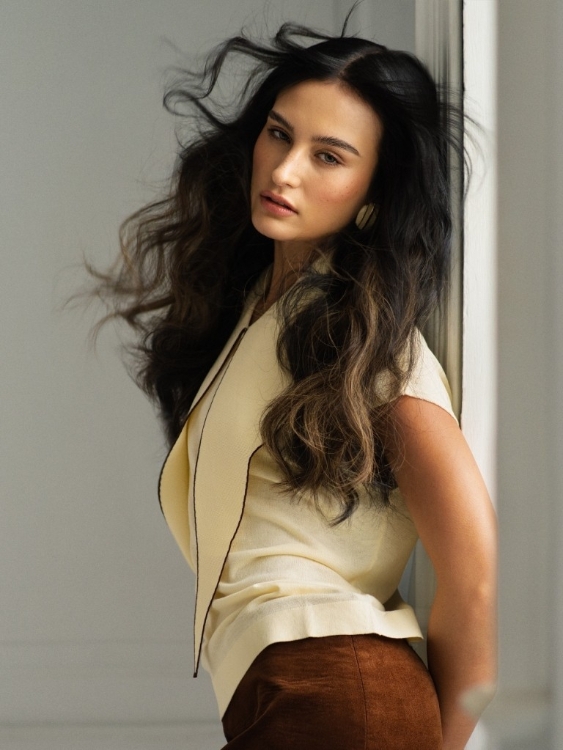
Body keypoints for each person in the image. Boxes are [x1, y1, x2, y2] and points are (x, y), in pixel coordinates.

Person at [92, 20, 496, 750]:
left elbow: (477, 578)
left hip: (339, 695)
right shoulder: (260, 311)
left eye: (328, 156)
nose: (283, 171)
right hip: (295, 695)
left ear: (374, 191)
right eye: (279, 134)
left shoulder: (373, 351)